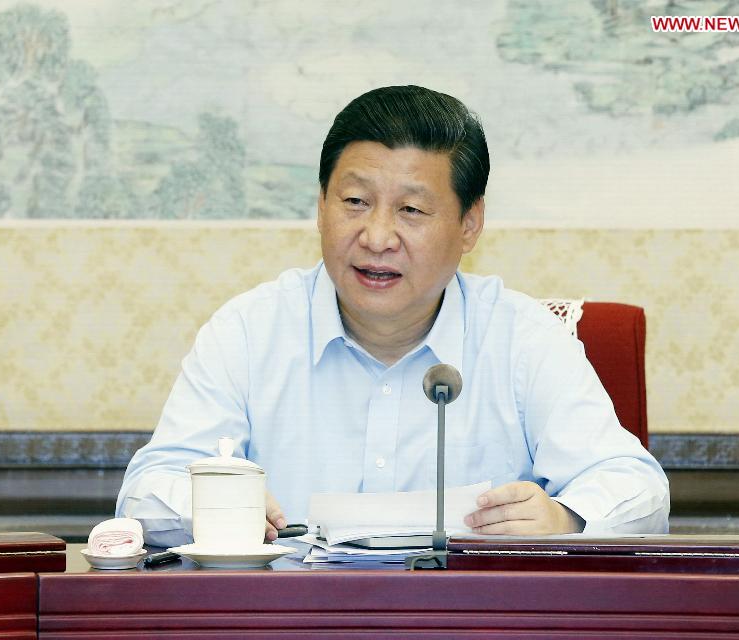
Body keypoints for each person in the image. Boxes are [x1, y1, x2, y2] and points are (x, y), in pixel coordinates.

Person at [116, 85, 669, 548]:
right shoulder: (248, 332)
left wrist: (564, 518)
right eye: (354, 202)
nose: (376, 237)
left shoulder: (522, 339)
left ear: (470, 224)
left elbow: (636, 486)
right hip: (289, 623)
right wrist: (208, 506)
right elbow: (146, 489)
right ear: (320, 206)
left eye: (411, 210)